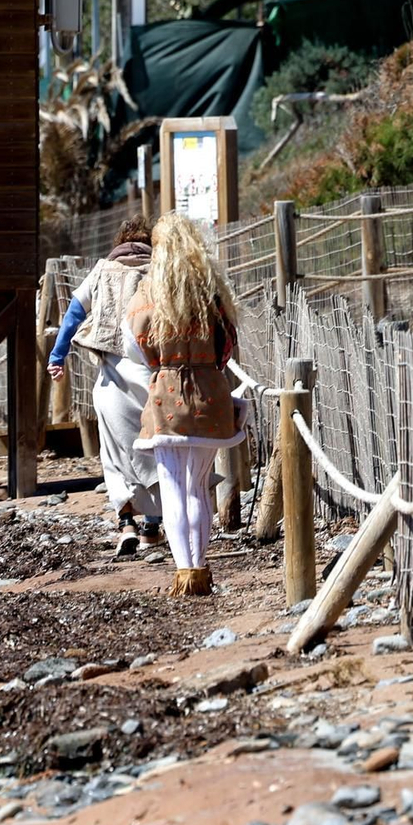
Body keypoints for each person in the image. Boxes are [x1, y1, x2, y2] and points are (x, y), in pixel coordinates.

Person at [126, 212, 245, 596]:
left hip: (167, 398)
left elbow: (139, 348)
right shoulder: (212, 292)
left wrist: (167, 366)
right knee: (197, 487)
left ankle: (185, 572)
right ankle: (202, 567)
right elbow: (228, 346)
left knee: (173, 488)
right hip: (212, 394)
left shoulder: (149, 294)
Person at [47, 214, 160, 556]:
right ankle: (152, 528)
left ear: (118, 244)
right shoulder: (158, 273)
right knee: (155, 452)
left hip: (111, 383)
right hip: (153, 377)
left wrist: (57, 356)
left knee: (114, 455)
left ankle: (126, 523)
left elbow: (72, 316)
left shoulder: (101, 271)